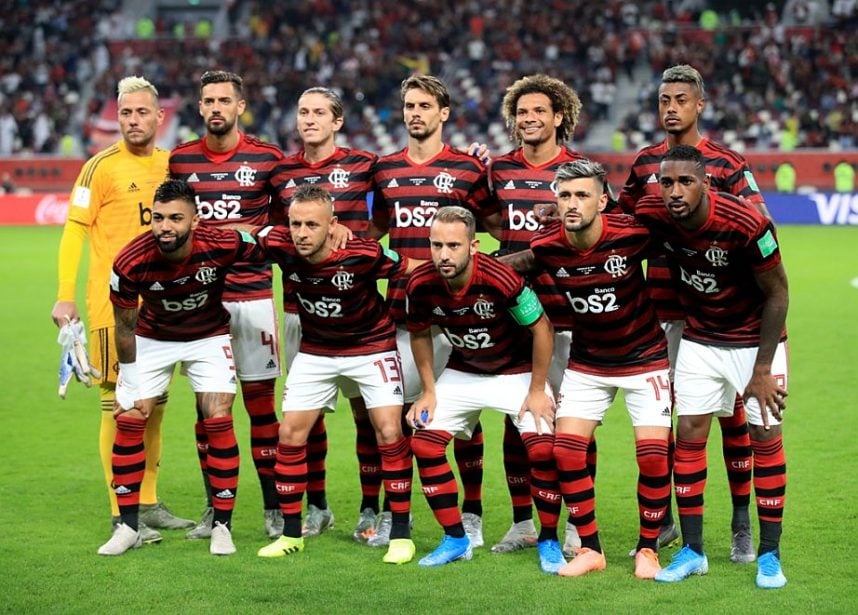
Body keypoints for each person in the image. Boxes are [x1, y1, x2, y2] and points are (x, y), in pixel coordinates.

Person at [616, 64, 770, 561]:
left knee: (732, 420)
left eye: (681, 99)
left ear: (699, 104)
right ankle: (666, 523)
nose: (670, 108)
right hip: (659, 311)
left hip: (718, 317)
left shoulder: (725, 163)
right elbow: (623, 225)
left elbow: (758, 224)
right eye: (663, 100)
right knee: (667, 422)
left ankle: (742, 520)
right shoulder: (644, 166)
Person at [635, 145, 789, 589]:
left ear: (705, 183)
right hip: (701, 339)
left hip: (755, 341)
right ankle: (693, 550)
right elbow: (610, 220)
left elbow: (778, 294)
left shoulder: (746, 223)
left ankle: (769, 554)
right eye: (666, 183)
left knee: (764, 435)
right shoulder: (656, 212)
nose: (675, 191)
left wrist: (761, 369)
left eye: (685, 182)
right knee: (689, 436)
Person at [51, 76, 193, 545]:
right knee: (119, 405)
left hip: (163, 304)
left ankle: (148, 502)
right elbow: (74, 231)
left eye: (141, 113)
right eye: (125, 113)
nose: (133, 121)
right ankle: (120, 510)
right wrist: (64, 294)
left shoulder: (171, 166)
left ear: (159, 117)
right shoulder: (99, 168)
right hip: (115, 306)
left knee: (155, 406)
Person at [520, 160, 673, 579]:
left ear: (603, 200)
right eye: (565, 195)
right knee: (566, 451)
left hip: (644, 358)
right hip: (588, 362)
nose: (572, 203)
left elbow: (677, 235)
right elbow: (517, 267)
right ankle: (590, 548)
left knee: (654, 457)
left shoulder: (632, 233)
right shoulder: (548, 244)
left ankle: (648, 548)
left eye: (582, 195)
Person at [253, 185, 418, 565]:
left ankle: (400, 535)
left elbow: (412, 270)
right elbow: (244, 235)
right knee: (290, 433)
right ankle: (292, 534)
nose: (302, 233)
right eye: (295, 223)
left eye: (312, 224)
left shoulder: (363, 253)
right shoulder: (281, 244)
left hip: (371, 346)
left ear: (333, 225)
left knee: (389, 432)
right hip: (317, 350)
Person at [99, 179, 261, 556]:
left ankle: (222, 526)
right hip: (152, 338)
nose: (164, 227)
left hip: (208, 336)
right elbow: (124, 326)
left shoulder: (220, 244)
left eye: (175, 218)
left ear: (196, 220)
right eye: (157, 218)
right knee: (130, 419)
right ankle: (127, 527)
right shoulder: (130, 260)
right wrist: (135, 387)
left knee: (218, 416)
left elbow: (259, 237)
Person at [367, 74, 496, 548]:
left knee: (464, 422)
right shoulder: (384, 170)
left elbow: (499, 224)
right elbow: (373, 228)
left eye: (424, 106)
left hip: (457, 318)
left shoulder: (466, 169)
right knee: (396, 419)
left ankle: (474, 510)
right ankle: (393, 515)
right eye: (408, 106)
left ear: (444, 114)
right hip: (401, 314)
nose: (414, 113)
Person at [405, 206, 563, 572]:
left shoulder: (501, 278)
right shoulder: (420, 283)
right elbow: (418, 334)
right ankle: (456, 539)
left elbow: (542, 329)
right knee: (424, 443)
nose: (444, 255)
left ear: (474, 245)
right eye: (436, 245)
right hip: (465, 370)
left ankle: (550, 539)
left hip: (516, 370)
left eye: (453, 246)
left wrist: (537, 390)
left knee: (541, 450)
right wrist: (428, 390)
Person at [169, 70, 285, 540]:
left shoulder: (267, 158)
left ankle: (274, 508)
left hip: (253, 298)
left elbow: (281, 228)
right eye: (208, 100)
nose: (216, 107)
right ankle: (215, 510)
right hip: (202, 305)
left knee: (261, 410)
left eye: (224, 100)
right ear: (200, 107)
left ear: (240, 106)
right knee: (208, 413)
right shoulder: (180, 161)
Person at [272, 87, 378, 541]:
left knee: (366, 414)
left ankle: (371, 508)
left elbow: (392, 213)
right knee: (306, 415)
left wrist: (356, 243)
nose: (309, 119)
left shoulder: (365, 165)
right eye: (303, 112)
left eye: (319, 112)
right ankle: (316, 506)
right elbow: (269, 228)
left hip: (357, 312)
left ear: (337, 121)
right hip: (301, 310)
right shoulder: (280, 172)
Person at [488, 73, 588, 557]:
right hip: (510, 313)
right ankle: (523, 522)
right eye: (521, 112)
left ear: (559, 117)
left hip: (567, 312)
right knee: (516, 420)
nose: (529, 119)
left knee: (572, 422)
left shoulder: (577, 173)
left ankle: (576, 525)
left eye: (538, 112)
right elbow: (488, 219)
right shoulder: (501, 170)